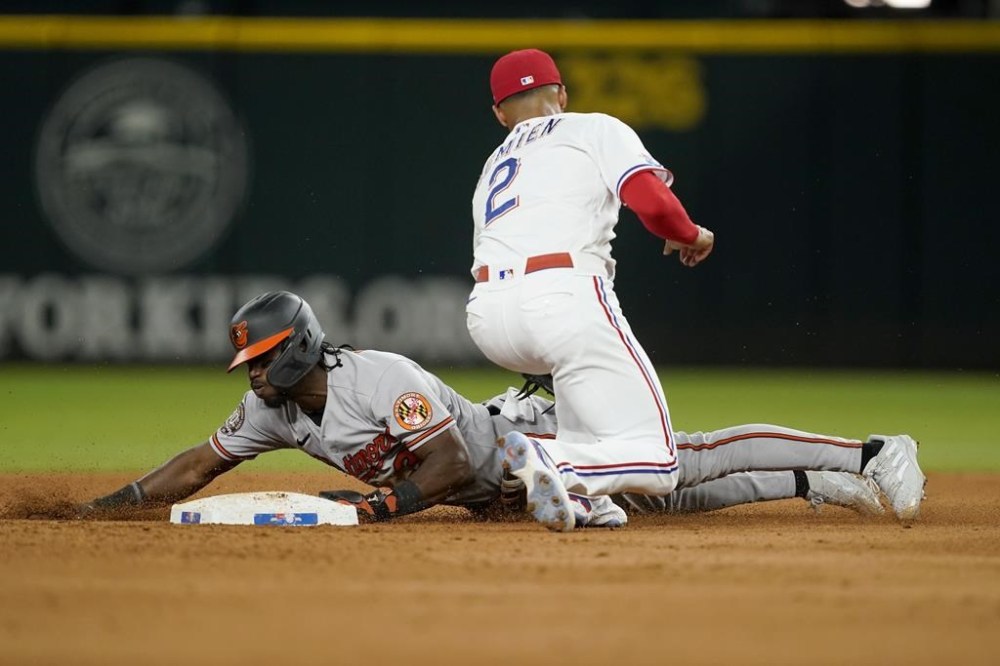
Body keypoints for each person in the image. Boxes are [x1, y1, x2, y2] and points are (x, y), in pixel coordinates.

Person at [464, 48, 925, 531]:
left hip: (489, 318)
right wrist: (691, 235)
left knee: (598, 420)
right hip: (561, 299)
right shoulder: (591, 127)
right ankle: (558, 460)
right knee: (661, 462)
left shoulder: (493, 166)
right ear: (561, 92)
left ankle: (584, 494)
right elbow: (654, 205)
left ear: (499, 113)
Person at [81, 290, 914, 529]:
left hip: (524, 448)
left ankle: (866, 453)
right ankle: (813, 481)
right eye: (247, 365)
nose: (251, 378)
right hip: (495, 493)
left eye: (259, 361)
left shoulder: (378, 379)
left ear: (295, 349)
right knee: (680, 505)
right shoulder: (273, 414)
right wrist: (111, 508)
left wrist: (379, 508)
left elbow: (442, 465)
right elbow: (200, 462)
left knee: (681, 463)